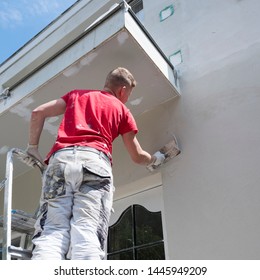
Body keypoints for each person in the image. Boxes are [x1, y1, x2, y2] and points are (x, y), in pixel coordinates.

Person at [25, 67, 176, 260]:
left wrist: (32, 147)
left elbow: (38, 112)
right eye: (128, 94)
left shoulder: (76, 95)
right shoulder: (122, 109)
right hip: (95, 163)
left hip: (60, 162)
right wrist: (156, 159)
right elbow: (137, 155)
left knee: (52, 231)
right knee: (86, 232)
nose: (127, 99)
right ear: (122, 90)